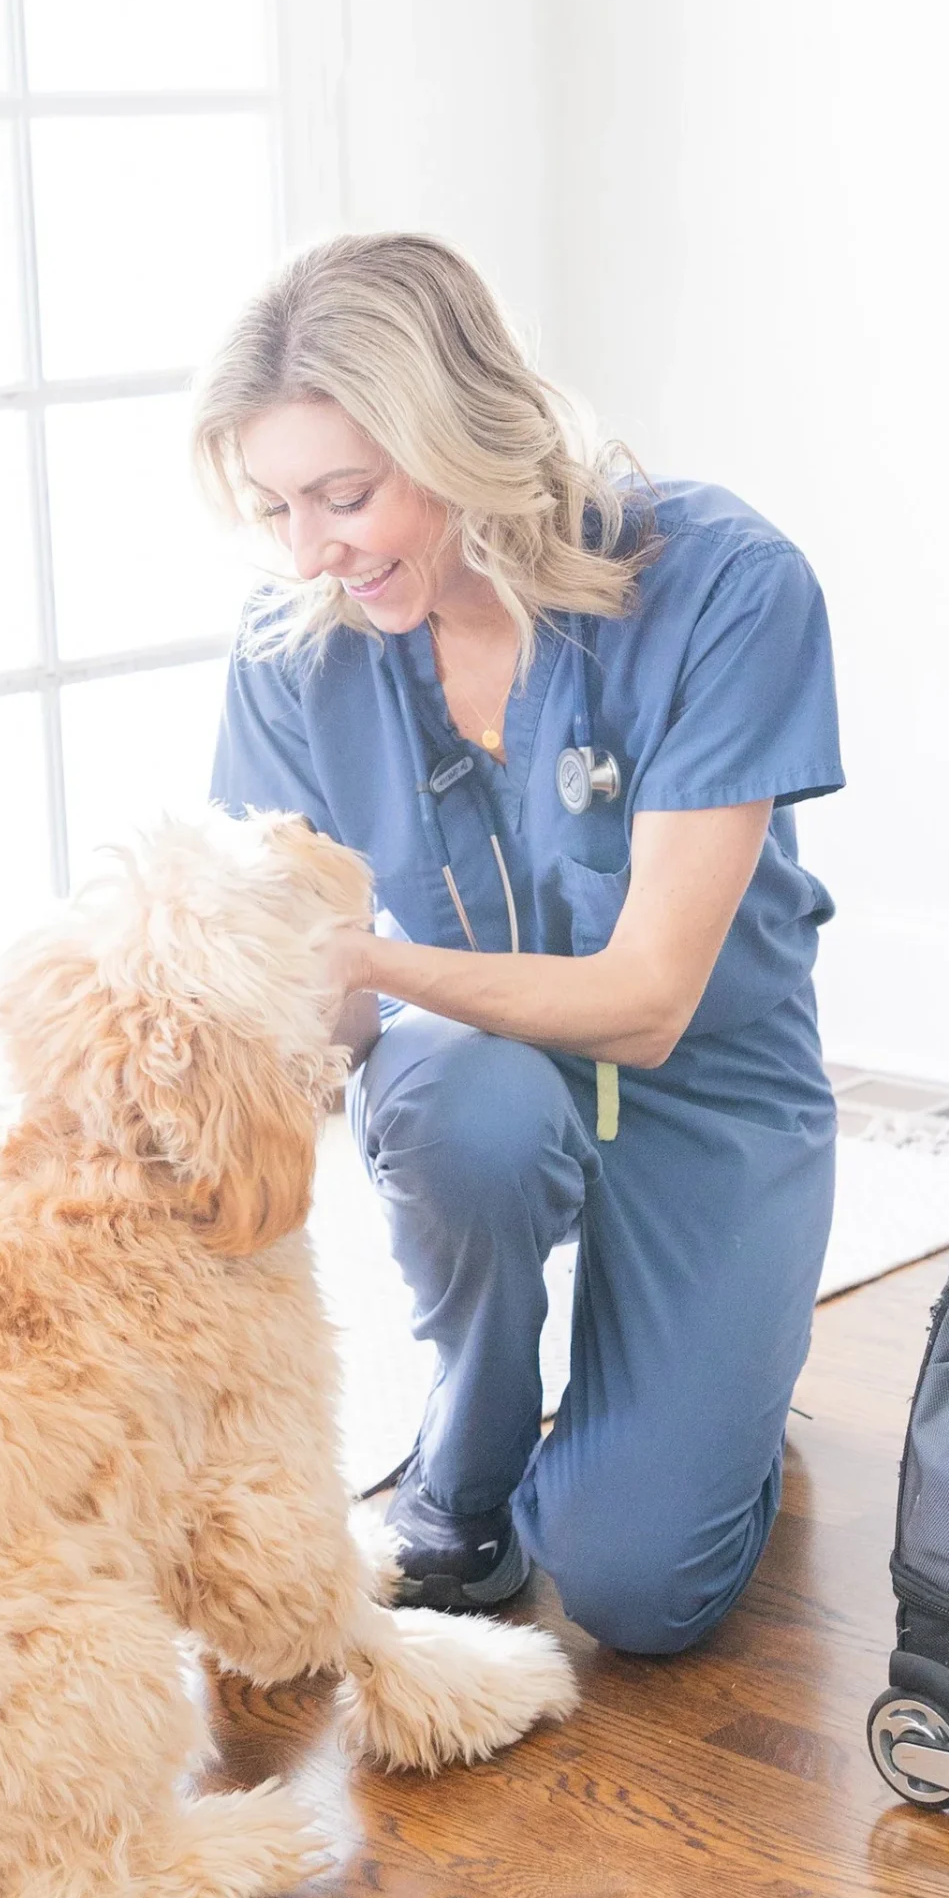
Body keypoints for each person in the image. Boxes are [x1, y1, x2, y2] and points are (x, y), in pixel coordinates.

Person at [198, 233, 842, 1655]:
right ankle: (465, 1463)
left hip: (710, 1083)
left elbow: (650, 1002)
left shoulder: (723, 585)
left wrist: (360, 962)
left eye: (346, 497)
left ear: (456, 435)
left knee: (638, 1589)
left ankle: (699, 1391)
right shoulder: (295, 647)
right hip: (482, 1072)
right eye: (275, 508)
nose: (311, 551)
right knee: (453, 1100)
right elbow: (325, 1019)